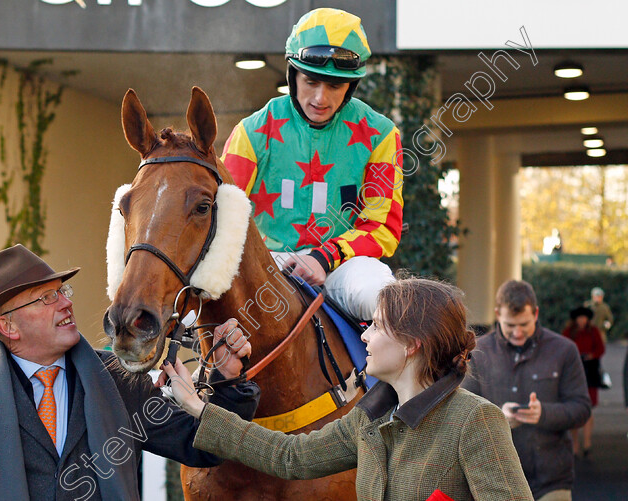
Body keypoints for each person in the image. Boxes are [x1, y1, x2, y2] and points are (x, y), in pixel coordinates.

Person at [0, 244, 259, 501]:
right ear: (8, 326)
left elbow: (200, 446)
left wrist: (226, 377)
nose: (66, 302)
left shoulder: (117, 377)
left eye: (61, 291)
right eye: (45, 298)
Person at [161, 278, 533, 501]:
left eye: (377, 326)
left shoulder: (476, 419)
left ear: (411, 344)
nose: (365, 335)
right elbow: (289, 456)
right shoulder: (367, 419)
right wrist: (199, 408)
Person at [221, 7, 403, 320]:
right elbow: (223, 213)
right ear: (292, 74)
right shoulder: (252, 131)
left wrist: (324, 256)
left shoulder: (381, 134)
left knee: (385, 301)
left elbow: (382, 225)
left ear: (351, 87)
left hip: (342, 264)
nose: (320, 98)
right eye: (311, 81)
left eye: (334, 86)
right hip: (267, 261)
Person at [462, 280, 591, 501]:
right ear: (497, 315)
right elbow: (462, 412)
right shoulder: (479, 352)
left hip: (551, 479)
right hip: (494, 479)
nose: (518, 332)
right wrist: (499, 417)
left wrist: (544, 414)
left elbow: (582, 409)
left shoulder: (564, 350)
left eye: (524, 324)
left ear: (536, 313)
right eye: (510, 325)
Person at [561, 306, 605, 458]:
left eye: (584, 318)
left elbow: (601, 348)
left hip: (590, 371)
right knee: (574, 407)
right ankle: (574, 444)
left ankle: (587, 442)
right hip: (573, 371)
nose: (582, 320)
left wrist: (592, 355)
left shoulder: (593, 332)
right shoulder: (569, 332)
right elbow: (563, 349)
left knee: (590, 407)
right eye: (579, 318)